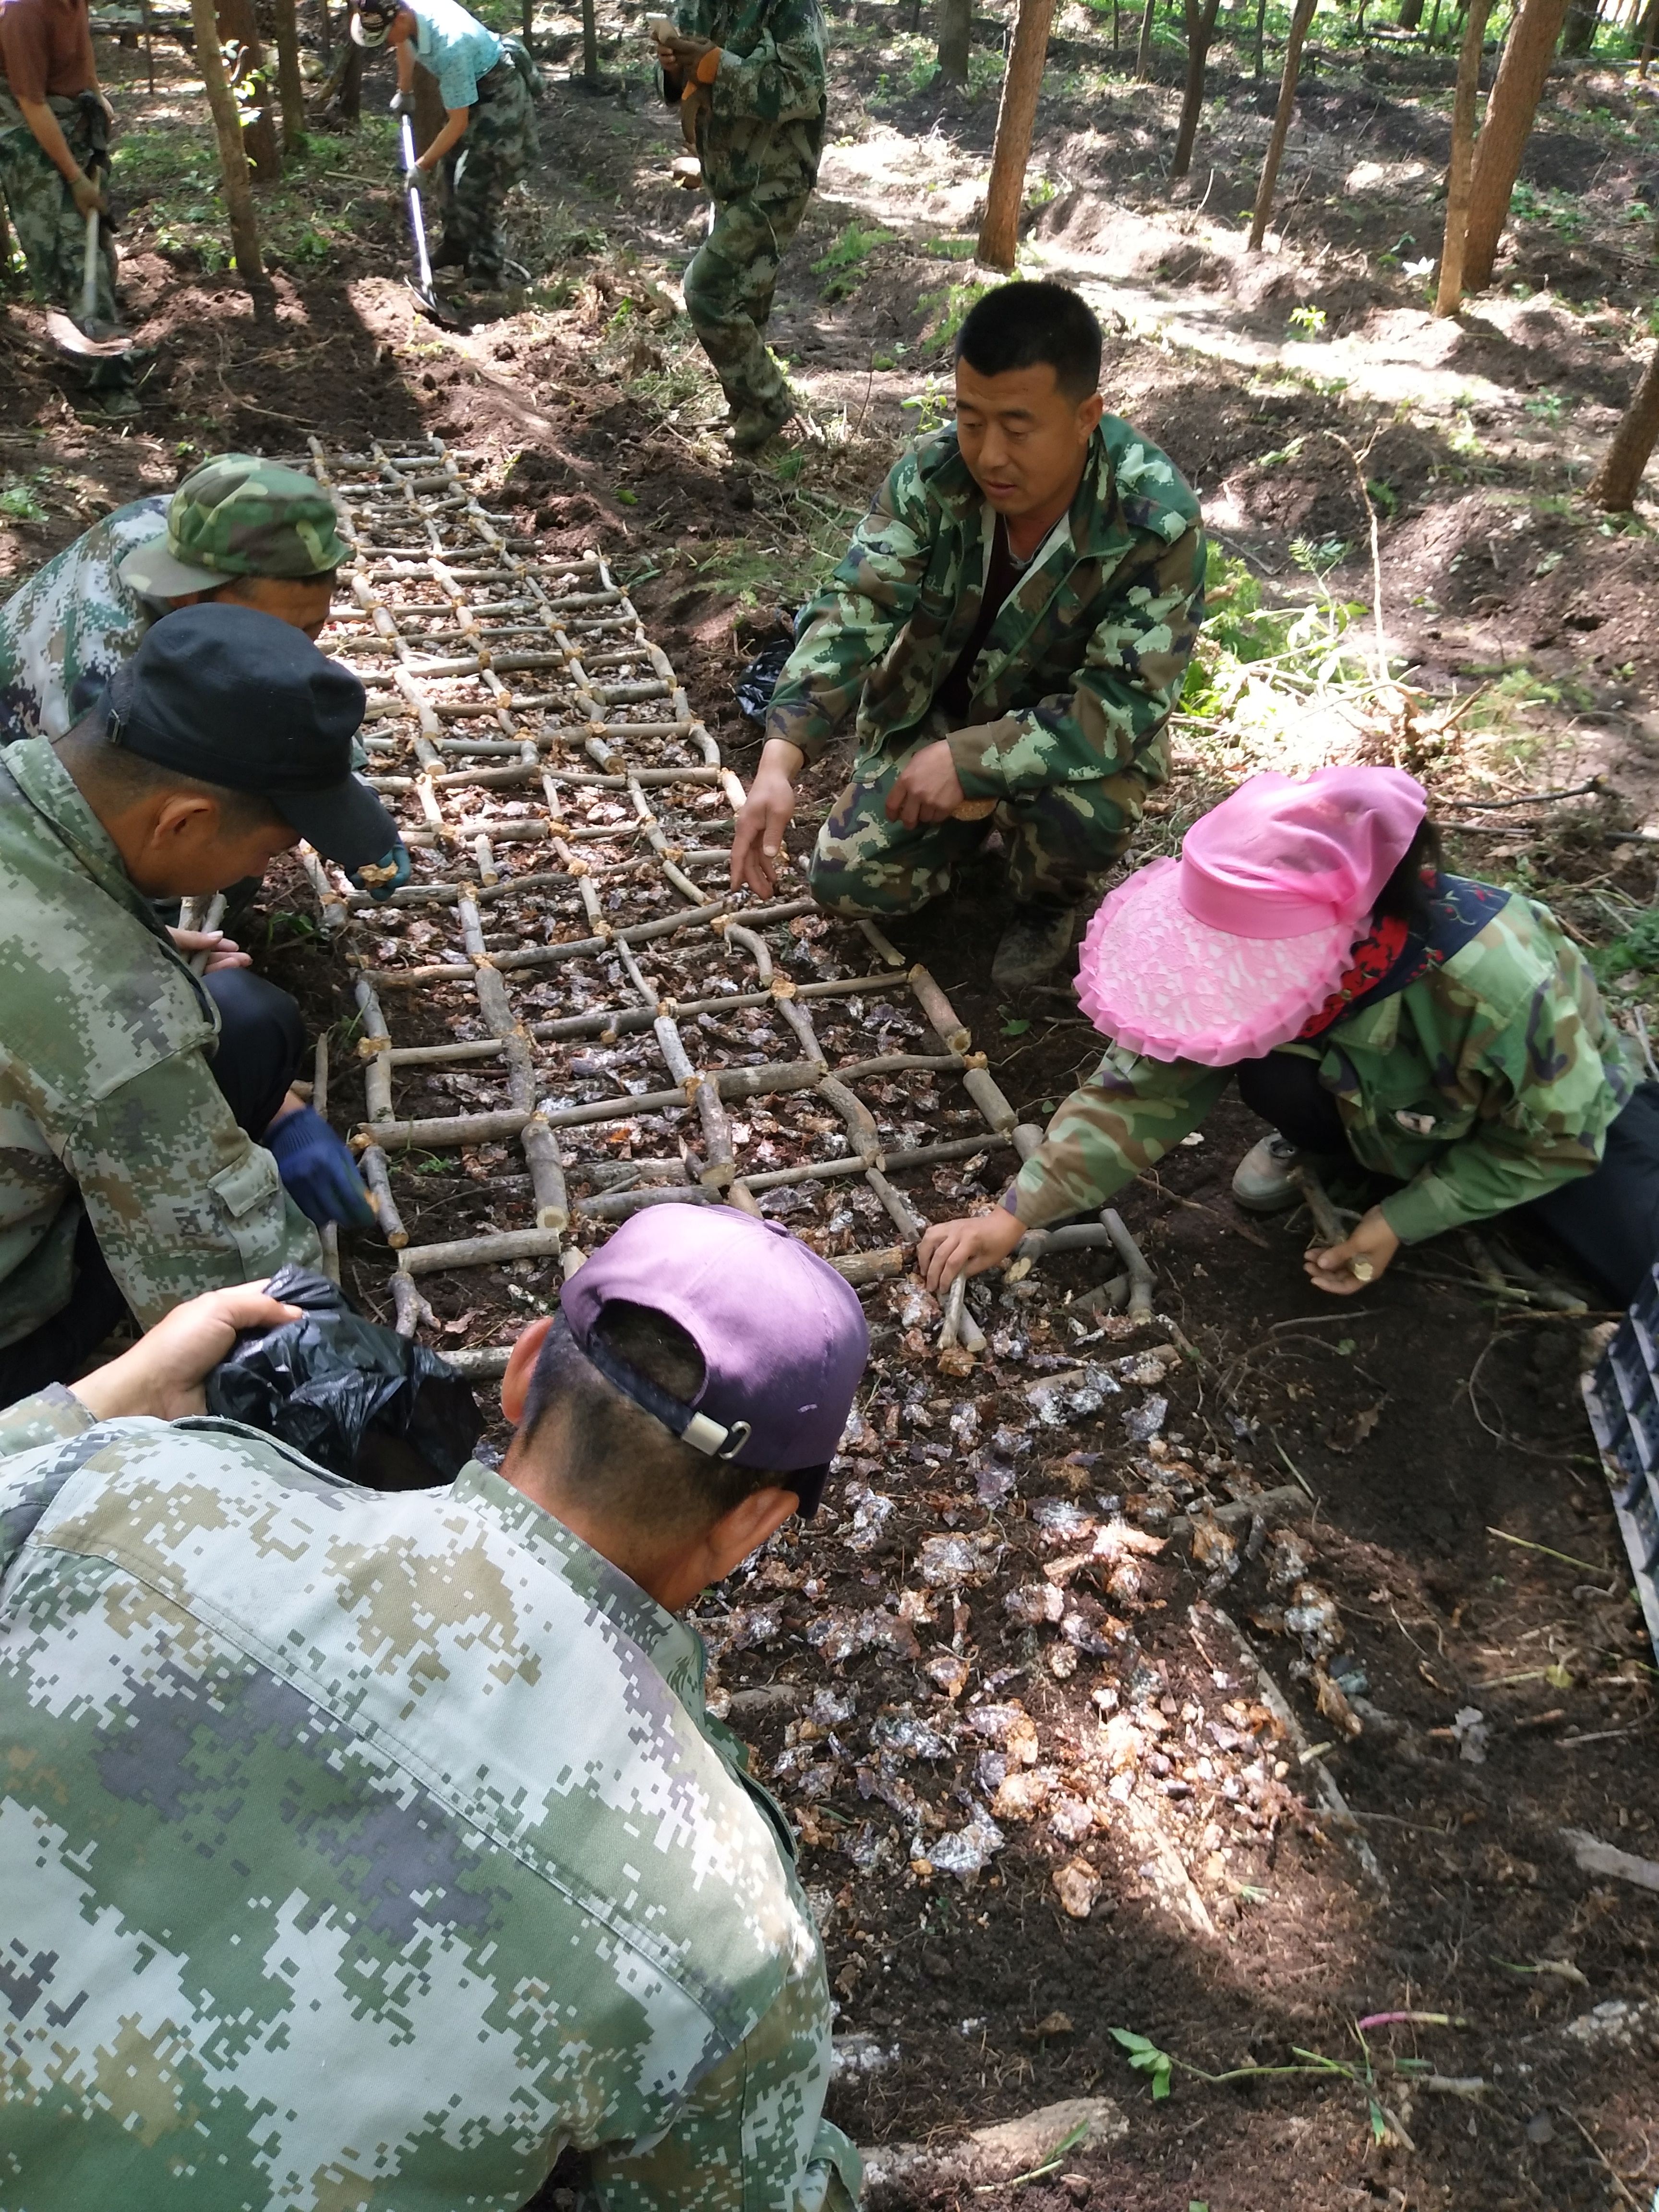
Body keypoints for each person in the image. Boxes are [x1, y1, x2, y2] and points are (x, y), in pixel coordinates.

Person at [0, 1207, 869, 2210]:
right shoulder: (728, 1927)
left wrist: (109, 1400)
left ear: (524, 1367)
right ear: (757, 1523)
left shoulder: (120, 1485)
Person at [916, 766, 1659, 1308]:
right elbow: (1141, 1090)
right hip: (1385, 1100)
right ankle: (1356, 1155)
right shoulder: (1277, 958)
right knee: (1276, 1076)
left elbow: (1556, 1136)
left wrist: (1402, 1220)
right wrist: (1015, 1213)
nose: (1229, 985)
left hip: (1547, 1112)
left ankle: (1413, 1177)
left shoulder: (1501, 990)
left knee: (1634, 1262)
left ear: (1348, 938)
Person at [730, 282, 1207, 990]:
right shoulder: (933, 476)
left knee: (1085, 818)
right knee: (847, 882)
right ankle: (963, 846)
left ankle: (1048, 901)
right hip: (937, 720)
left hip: (1069, 743)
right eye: (970, 419)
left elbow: (1120, 703)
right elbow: (855, 607)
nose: (989, 455)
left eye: (1018, 429)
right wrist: (781, 755)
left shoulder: (1151, 520)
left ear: (1086, 417)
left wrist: (976, 760)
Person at [0, 601, 416, 1402]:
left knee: (248, 1022)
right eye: (267, 848)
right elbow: (241, 1287)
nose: (257, 868)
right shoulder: (115, 1006)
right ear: (183, 820)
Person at [0, 450, 349, 746]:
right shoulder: (106, 681)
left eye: (310, 629)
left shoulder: (214, 523)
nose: (295, 654)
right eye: (272, 636)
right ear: (187, 598)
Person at [652, 0, 826, 453]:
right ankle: (745, 407)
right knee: (744, 299)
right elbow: (676, 82)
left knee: (707, 289)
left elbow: (803, 88)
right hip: (728, 177)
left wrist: (718, 67)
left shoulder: (790, 9)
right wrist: (674, 69)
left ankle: (769, 402)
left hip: (776, 178)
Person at [352, 0, 541, 289]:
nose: (386, 43)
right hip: (471, 86)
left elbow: (458, 122)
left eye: (386, 35)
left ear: (401, 19)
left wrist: (420, 166)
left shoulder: (450, 47)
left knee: (475, 187)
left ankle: (488, 271)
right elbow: (404, 43)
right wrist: (405, 90)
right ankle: (457, 246)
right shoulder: (408, 14)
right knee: (447, 171)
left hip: (499, 94)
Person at [0, 0, 125, 385]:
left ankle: (105, 341)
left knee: (97, 247)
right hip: (22, 127)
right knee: (69, 250)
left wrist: (97, 98)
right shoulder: (23, 13)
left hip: (65, 114)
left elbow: (82, 50)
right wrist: (74, 179)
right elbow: (31, 102)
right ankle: (106, 379)